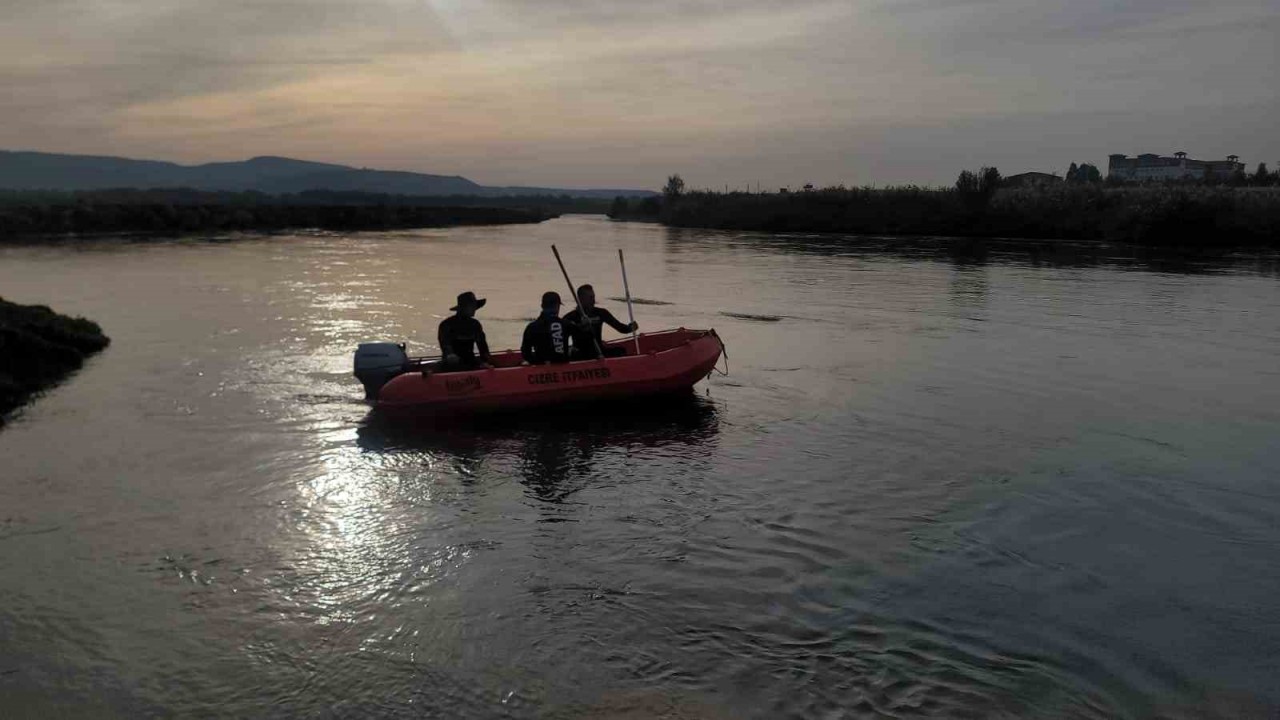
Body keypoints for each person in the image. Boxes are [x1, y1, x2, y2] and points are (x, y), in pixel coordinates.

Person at [563, 284, 638, 359]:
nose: (593, 301)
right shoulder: (570, 317)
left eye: (593, 297)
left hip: (598, 351)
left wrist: (631, 327)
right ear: (580, 299)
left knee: (621, 351)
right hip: (580, 353)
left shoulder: (601, 313)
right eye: (590, 298)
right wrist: (579, 327)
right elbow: (563, 337)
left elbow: (621, 328)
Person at [436, 291, 492, 370]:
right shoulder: (446, 325)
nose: (474, 309)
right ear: (462, 308)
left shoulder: (475, 325)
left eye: (474, 307)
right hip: (451, 364)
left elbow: (483, 348)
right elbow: (445, 344)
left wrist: (486, 362)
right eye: (471, 306)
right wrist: (450, 355)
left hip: (471, 362)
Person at [521, 291, 571, 365]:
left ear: (542, 306)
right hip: (563, 367)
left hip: (541, 369)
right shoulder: (566, 324)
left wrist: (534, 361)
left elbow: (525, 352)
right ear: (557, 306)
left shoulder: (532, 327)